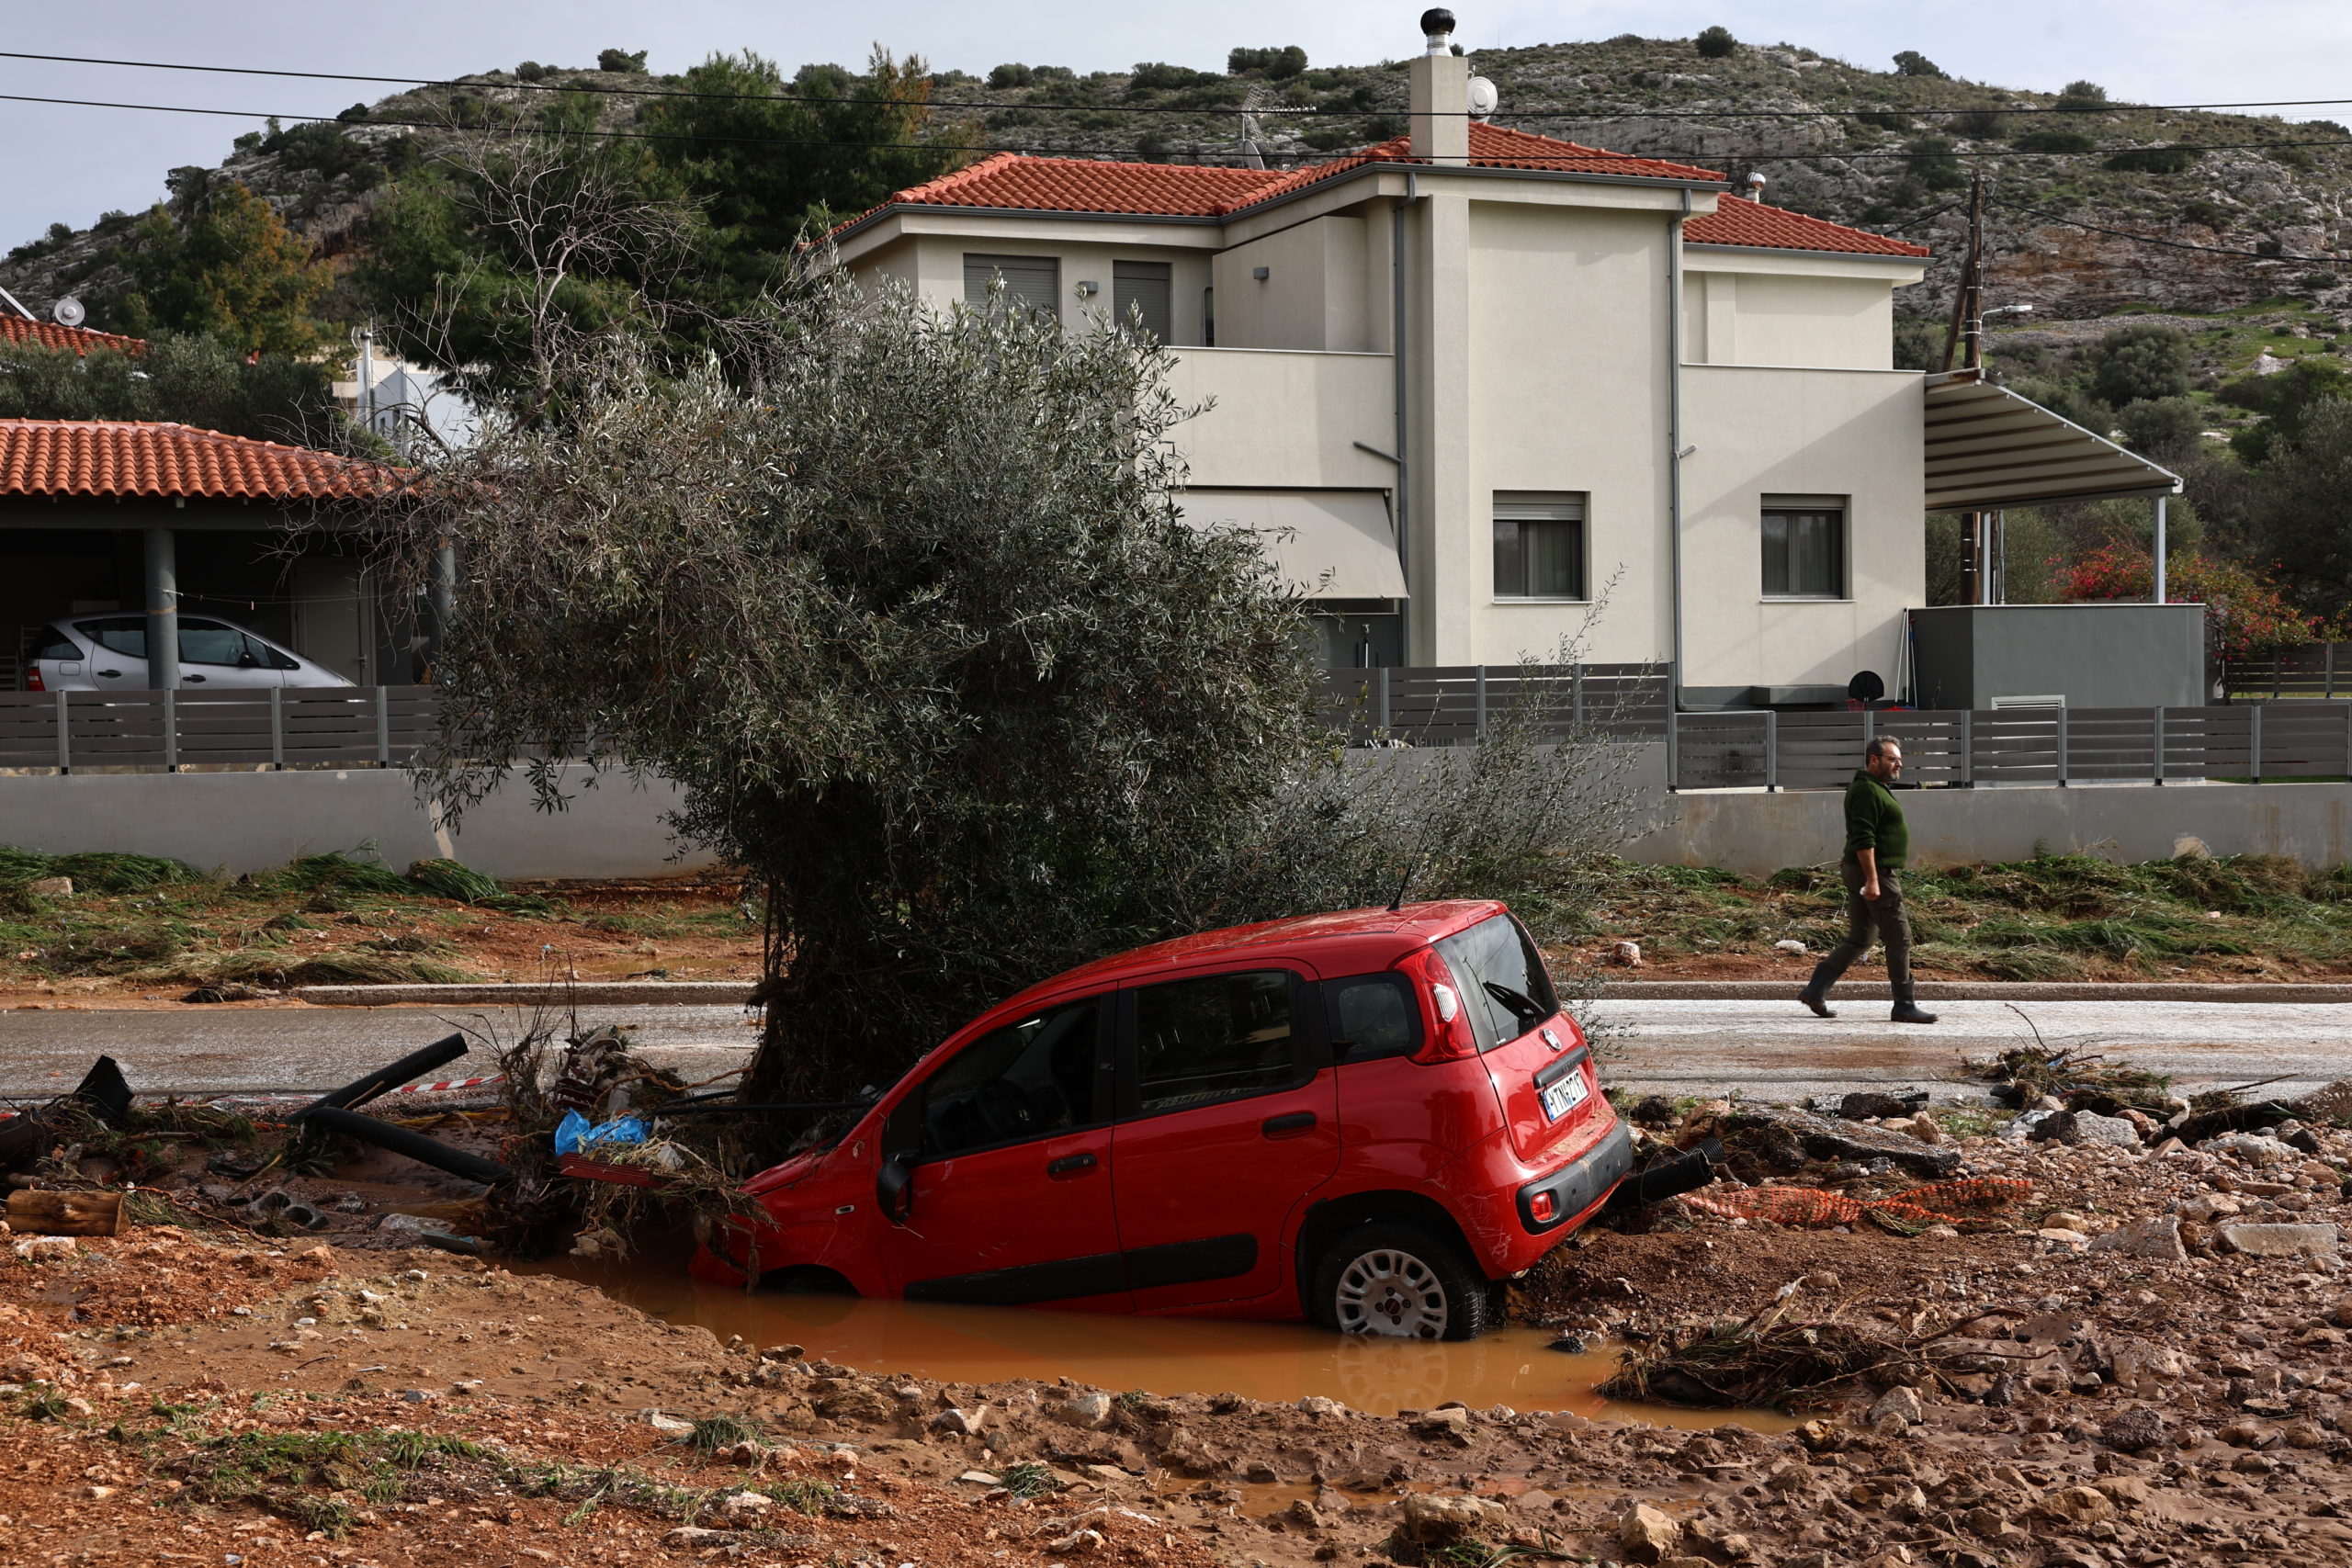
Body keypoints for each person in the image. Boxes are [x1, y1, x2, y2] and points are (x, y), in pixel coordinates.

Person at [1798, 737, 1938, 1024]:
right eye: (1892, 759)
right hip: (1874, 873)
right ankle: (1904, 1005)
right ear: (1874, 760)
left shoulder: (1874, 788)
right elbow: (1864, 838)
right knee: (1899, 937)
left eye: (1899, 759)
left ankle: (1815, 990)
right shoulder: (1866, 791)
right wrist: (1873, 880)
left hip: (1864, 870)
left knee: (1862, 937)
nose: (1899, 763)